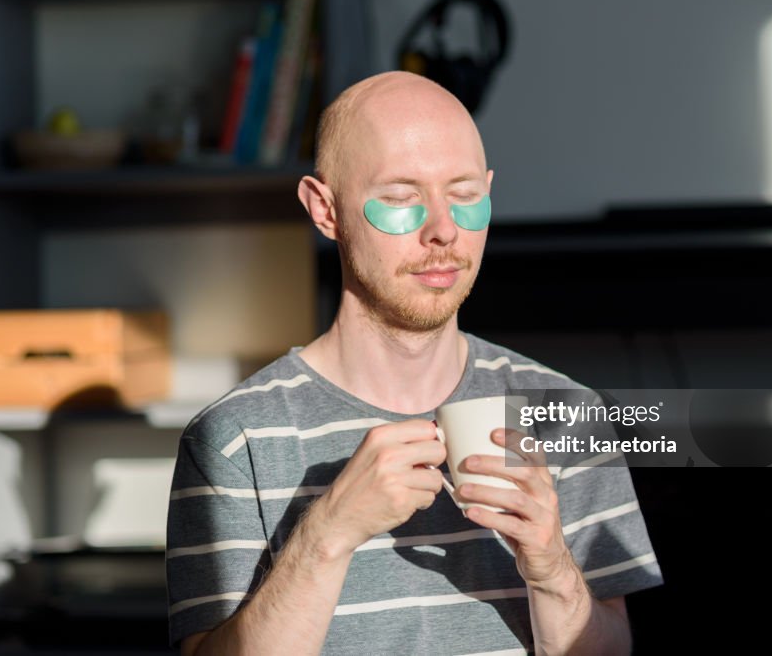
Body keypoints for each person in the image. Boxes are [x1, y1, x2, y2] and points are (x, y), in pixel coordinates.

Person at [166, 71, 662, 655]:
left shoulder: (568, 415)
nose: (443, 230)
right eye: (401, 199)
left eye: (465, 195)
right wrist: (327, 535)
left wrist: (552, 569)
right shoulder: (233, 437)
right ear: (325, 210)